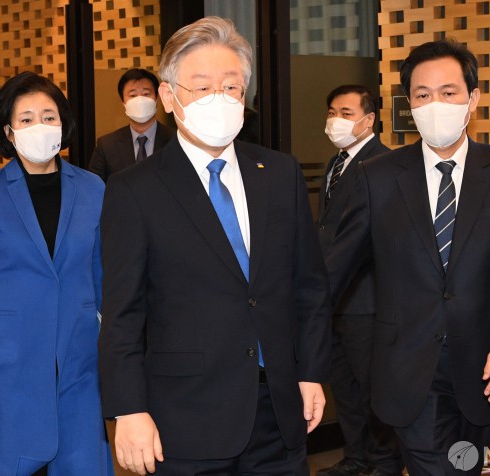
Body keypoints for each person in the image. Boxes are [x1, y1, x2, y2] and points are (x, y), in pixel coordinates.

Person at [98, 16, 331, 475]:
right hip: (184, 417)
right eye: (202, 88)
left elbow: (309, 286)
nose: (219, 99)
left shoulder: (279, 173)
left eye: (231, 87)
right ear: (169, 97)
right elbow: (122, 311)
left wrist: (310, 371)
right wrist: (128, 409)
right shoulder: (134, 189)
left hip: (279, 410)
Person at [324, 40, 490, 476]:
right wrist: (298, 352)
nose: (435, 104)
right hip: (408, 370)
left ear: (473, 98)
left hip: (484, 368)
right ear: (410, 104)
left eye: (448, 93)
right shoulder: (377, 177)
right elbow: (334, 270)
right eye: (423, 95)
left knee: (463, 464)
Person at [0, 72, 114, 476]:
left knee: (79, 461)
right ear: (9, 131)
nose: (40, 126)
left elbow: (105, 278)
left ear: (63, 124)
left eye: (49, 116)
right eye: (26, 119)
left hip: (77, 358)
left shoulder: (93, 189)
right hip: (6, 363)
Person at [316, 85, 403, 476]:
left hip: (367, 300)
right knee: (345, 388)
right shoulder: (335, 164)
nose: (336, 120)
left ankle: (384, 462)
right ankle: (356, 457)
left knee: (372, 389)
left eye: (346, 113)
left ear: (369, 120)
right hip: (335, 299)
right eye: (332, 112)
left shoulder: (384, 164)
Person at [88, 68, 175, 181]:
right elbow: (94, 186)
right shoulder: (106, 146)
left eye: (146, 94)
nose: (140, 100)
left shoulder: (176, 140)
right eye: (133, 95)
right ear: (123, 103)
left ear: (157, 99)